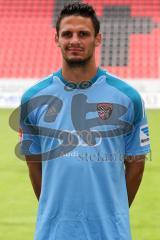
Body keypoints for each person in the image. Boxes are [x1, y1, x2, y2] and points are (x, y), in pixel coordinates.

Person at [19, 2, 150, 240]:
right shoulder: (33, 99)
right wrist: (57, 213)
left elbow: (136, 166)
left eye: (83, 34)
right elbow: (34, 166)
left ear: (97, 39)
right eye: (67, 34)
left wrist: (113, 211)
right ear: (56, 39)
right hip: (54, 233)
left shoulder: (127, 97)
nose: (75, 40)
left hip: (110, 233)